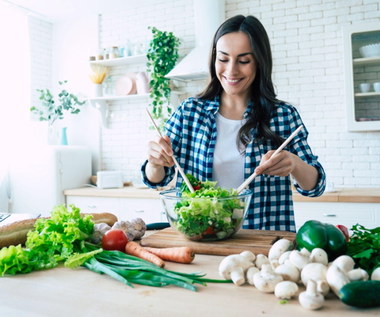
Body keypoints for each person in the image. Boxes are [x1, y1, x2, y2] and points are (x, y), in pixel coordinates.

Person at [141, 15, 326, 232]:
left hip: (263, 242)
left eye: (244, 61)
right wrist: (155, 162)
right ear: (214, 60)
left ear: (260, 62)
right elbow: (158, 180)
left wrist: (294, 164)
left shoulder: (283, 115)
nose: (231, 70)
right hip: (201, 240)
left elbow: (315, 186)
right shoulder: (189, 112)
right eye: (223, 59)